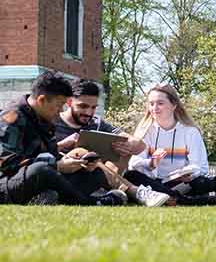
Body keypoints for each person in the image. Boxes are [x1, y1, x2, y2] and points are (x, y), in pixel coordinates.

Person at [0, 71, 128, 206]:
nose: (61, 111)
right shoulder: (10, 119)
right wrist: (57, 166)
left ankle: (47, 198)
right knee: (41, 170)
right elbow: (9, 164)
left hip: (37, 179)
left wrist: (77, 162)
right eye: (59, 105)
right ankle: (93, 202)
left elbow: (49, 155)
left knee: (95, 174)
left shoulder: (45, 118)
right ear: (42, 100)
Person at [53, 78, 170, 207]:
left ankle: (107, 191)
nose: (89, 113)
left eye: (93, 107)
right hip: (65, 177)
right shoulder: (53, 121)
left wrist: (128, 145)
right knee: (82, 152)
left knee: (121, 147)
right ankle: (134, 191)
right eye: (83, 106)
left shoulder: (96, 123)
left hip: (95, 176)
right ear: (69, 102)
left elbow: (139, 146)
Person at [125, 83, 216, 205]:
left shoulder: (190, 132)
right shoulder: (145, 131)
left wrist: (189, 173)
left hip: (181, 184)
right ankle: (182, 200)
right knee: (130, 176)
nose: (154, 108)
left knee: (202, 182)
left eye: (160, 103)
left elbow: (201, 167)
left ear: (174, 105)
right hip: (154, 184)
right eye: (151, 104)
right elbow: (133, 164)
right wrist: (150, 163)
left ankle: (170, 198)